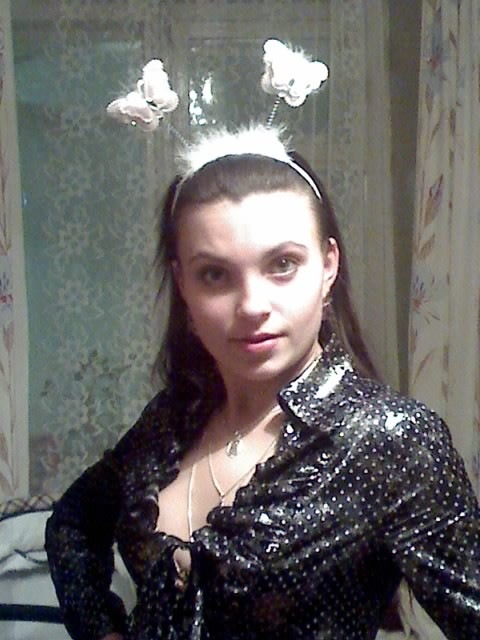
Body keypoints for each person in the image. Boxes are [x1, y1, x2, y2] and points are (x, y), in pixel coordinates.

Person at [46, 124, 480, 640]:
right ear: (182, 284)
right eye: (214, 275)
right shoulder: (172, 419)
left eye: (282, 265)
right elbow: (72, 525)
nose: (252, 306)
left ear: (328, 267)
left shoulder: (392, 440)